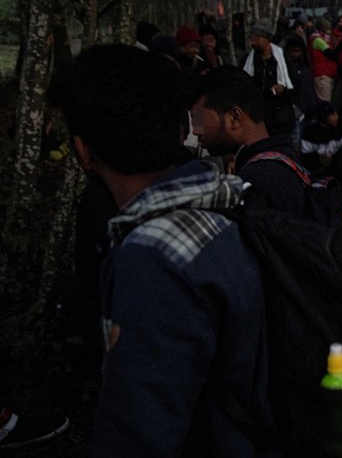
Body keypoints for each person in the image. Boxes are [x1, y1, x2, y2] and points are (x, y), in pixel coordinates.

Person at [49, 44, 276, 457]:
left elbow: (137, 434)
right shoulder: (225, 204)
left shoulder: (152, 259)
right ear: (179, 129)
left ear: (83, 149)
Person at [191, 66, 308, 218]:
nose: (196, 131)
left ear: (234, 117)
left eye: (199, 119)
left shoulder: (256, 180)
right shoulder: (284, 158)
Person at [242, 18, 295, 136]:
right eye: (251, 39)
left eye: (256, 39)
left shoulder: (282, 60)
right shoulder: (249, 61)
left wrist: (283, 90)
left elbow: (295, 84)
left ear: (266, 39)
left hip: (280, 120)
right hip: (258, 118)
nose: (252, 43)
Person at [307, 17, 338, 102]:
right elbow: (331, 53)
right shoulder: (318, 40)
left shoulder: (322, 38)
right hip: (322, 75)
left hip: (327, 73)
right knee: (325, 102)